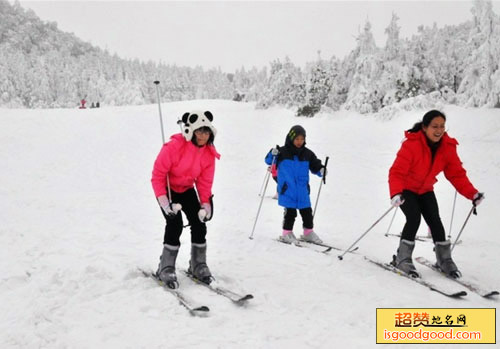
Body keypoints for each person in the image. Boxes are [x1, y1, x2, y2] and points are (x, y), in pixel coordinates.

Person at [388, 109, 484, 278]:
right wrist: (396, 193)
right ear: (425, 127)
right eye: (434, 126)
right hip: (406, 190)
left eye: (442, 126)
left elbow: (456, 174)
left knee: (435, 220)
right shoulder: (412, 144)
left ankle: (444, 259)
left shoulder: (447, 147)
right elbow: (396, 172)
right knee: (414, 218)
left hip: (425, 190)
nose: (439, 130)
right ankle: (403, 259)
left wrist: (472, 194)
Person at [151, 110, 220, 288]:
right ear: (191, 130)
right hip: (168, 189)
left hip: (187, 189)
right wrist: (165, 204)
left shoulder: (208, 154)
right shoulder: (174, 147)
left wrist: (205, 206)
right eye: (199, 131)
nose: (203, 135)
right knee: (174, 224)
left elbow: (204, 183)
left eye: (206, 131)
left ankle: (198, 265)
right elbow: (158, 176)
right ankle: (165, 267)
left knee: (199, 223)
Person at [265, 125, 326, 244]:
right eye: (297, 139)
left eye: (302, 139)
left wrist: (321, 170)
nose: (299, 142)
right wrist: (272, 154)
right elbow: (268, 160)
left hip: (302, 189)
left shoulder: (307, 154)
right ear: (291, 138)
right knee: (290, 212)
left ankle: (308, 232)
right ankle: (287, 233)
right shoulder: (282, 152)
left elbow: (315, 165)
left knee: (307, 211)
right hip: (288, 189)